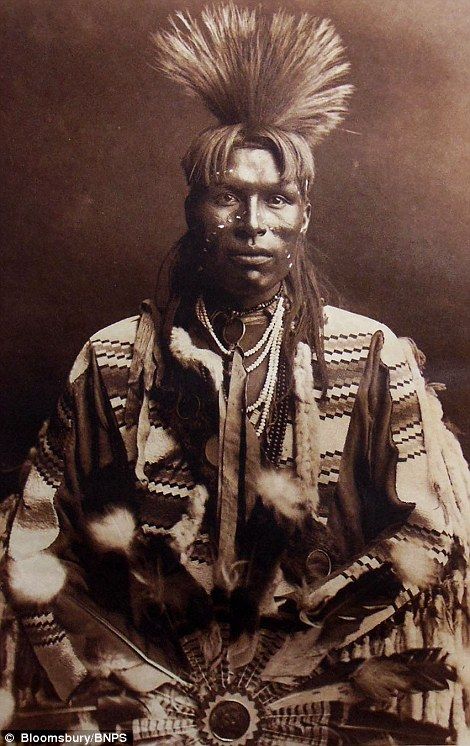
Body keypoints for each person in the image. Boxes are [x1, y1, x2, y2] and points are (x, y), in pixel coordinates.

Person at [1, 4, 469, 743]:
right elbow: (34, 537)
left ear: (304, 215)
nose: (254, 223)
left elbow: (431, 533)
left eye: (277, 199)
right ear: (193, 209)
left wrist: (312, 633)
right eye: (228, 197)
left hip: (321, 695)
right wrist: (104, 679)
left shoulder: (370, 356)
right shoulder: (116, 359)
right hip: (143, 697)